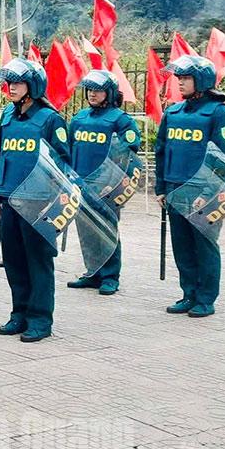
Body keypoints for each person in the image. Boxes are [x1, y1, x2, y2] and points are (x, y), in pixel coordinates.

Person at [0, 58, 70, 343]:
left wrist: (54, 205)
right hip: (10, 202)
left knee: (38, 263)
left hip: (38, 205)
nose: (11, 88)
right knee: (14, 261)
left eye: (18, 83)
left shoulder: (50, 119)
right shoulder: (7, 117)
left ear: (33, 86)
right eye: (9, 82)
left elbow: (62, 164)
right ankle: (18, 313)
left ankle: (40, 319)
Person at [155, 54, 225, 318]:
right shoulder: (173, 112)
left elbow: (224, 159)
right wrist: (161, 187)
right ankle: (188, 293)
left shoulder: (219, 114)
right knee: (181, 245)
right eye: (178, 77)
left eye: (185, 78)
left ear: (201, 80)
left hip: (205, 192)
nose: (179, 82)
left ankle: (206, 298)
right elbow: (161, 150)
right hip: (175, 188)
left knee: (204, 245)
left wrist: (209, 193)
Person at [66, 70, 141, 296]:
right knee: (86, 232)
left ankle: (110, 276)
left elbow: (129, 153)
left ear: (108, 92)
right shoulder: (79, 119)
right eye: (89, 90)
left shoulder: (121, 120)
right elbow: (68, 151)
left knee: (107, 230)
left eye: (97, 90)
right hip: (82, 185)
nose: (92, 94)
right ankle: (93, 272)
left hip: (107, 188)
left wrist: (113, 184)